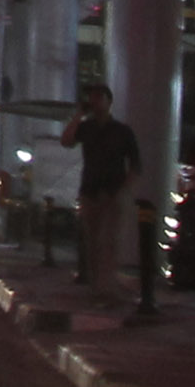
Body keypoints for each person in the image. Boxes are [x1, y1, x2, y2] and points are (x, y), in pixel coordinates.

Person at [61, 83, 143, 289]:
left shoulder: (122, 131)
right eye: (92, 97)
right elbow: (67, 140)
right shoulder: (87, 128)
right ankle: (96, 283)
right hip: (90, 190)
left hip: (113, 191)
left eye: (99, 97)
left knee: (109, 240)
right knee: (91, 241)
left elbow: (135, 164)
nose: (95, 101)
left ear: (109, 101)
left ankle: (106, 284)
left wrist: (124, 190)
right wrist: (79, 115)